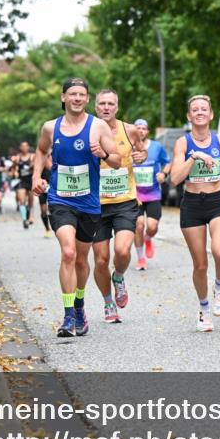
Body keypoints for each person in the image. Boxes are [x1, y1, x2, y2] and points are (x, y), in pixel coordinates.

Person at [32, 77, 121, 338]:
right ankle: (68, 315)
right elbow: (40, 151)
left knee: (82, 260)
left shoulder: (98, 127)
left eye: (82, 94)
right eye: (73, 94)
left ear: (86, 98)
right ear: (63, 98)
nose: (78, 98)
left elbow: (117, 161)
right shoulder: (51, 127)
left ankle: (80, 304)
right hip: (60, 200)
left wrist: (103, 154)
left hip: (90, 203)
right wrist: (37, 177)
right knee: (68, 253)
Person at [169, 95, 220, 332]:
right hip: (192, 204)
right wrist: (194, 156)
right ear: (189, 116)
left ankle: (219, 288)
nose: (199, 112)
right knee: (200, 265)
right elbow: (175, 178)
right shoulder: (183, 143)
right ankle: (204, 309)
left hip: (217, 200)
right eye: (195, 110)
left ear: (211, 115)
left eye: (204, 109)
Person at [91, 90, 146, 324]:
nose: (106, 107)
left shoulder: (130, 129)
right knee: (101, 260)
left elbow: (141, 150)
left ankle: (119, 276)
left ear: (117, 107)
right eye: (101, 103)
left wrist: (141, 155)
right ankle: (108, 303)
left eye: (110, 103)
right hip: (95, 205)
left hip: (125, 201)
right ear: (95, 107)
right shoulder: (88, 130)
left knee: (123, 251)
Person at [131, 118, 171, 271]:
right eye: (138, 128)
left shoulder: (156, 147)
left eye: (143, 128)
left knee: (152, 227)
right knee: (139, 226)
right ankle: (141, 259)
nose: (140, 131)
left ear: (147, 131)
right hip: (135, 196)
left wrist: (164, 174)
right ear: (134, 130)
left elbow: (168, 162)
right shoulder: (128, 147)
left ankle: (148, 239)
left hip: (153, 194)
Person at [13, 141, 36, 229]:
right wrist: (15, 165)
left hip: (30, 181)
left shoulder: (32, 156)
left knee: (30, 201)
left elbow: (36, 167)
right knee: (21, 201)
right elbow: (14, 169)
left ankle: (30, 216)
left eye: (25, 146)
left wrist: (32, 166)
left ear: (28, 147)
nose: (24, 148)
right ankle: (24, 219)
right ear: (20, 148)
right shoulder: (18, 157)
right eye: (22, 146)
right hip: (22, 181)